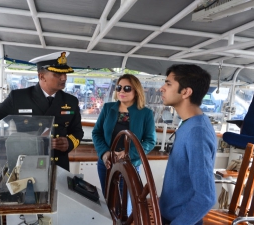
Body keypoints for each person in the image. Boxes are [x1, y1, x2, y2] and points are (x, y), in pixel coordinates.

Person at [0, 51, 84, 171]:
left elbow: (78, 132)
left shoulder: (71, 101)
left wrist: (69, 142)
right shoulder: (18, 98)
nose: (64, 78)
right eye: (57, 74)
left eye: (65, 74)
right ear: (41, 76)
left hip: (58, 167)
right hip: (26, 165)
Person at [158, 64, 217, 225]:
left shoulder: (197, 131)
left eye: (168, 84)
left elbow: (206, 196)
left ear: (186, 92)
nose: (162, 88)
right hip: (170, 215)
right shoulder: (189, 123)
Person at [92, 74, 156, 214]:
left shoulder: (145, 113)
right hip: (107, 164)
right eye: (119, 87)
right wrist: (104, 153)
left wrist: (129, 153)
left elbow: (150, 141)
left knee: (125, 207)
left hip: (130, 165)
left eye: (127, 88)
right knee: (109, 202)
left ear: (136, 91)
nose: (121, 91)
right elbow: (97, 133)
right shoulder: (108, 108)